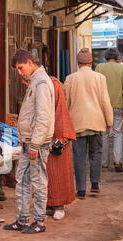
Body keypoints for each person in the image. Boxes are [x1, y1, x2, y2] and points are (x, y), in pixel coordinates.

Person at [3, 49, 55, 234]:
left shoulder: (41, 83)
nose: (19, 72)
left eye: (20, 68)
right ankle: (22, 219)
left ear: (30, 62)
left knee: (38, 180)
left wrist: (35, 144)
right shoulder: (34, 82)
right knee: (22, 180)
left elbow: (43, 117)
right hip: (28, 142)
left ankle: (39, 222)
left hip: (36, 144)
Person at [65, 48, 113, 199]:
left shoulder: (70, 78)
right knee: (96, 154)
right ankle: (95, 184)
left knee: (79, 157)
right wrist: (109, 120)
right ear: (91, 63)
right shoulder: (100, 78)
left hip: (77, 123)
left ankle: (80, 190)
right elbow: (105, 101)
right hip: (96, 121)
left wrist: (64, 122)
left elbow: (66, 103)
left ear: (78, 63)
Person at [45, 77, 77, 220]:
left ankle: (59, 205)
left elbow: (62, 118)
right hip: (44, 134)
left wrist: (61, 138)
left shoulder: (55, 88)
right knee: (46, 174)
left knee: (58, 172)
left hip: (57, 136)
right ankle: (49, 204)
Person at [95, 48, 123, 172]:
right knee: (117, 133)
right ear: (118, 57)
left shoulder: (99, 67)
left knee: (104, 134)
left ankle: (104, 162)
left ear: (105, 57)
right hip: (118, 105)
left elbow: (96, 87)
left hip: (102, 106)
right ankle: (118, 160)